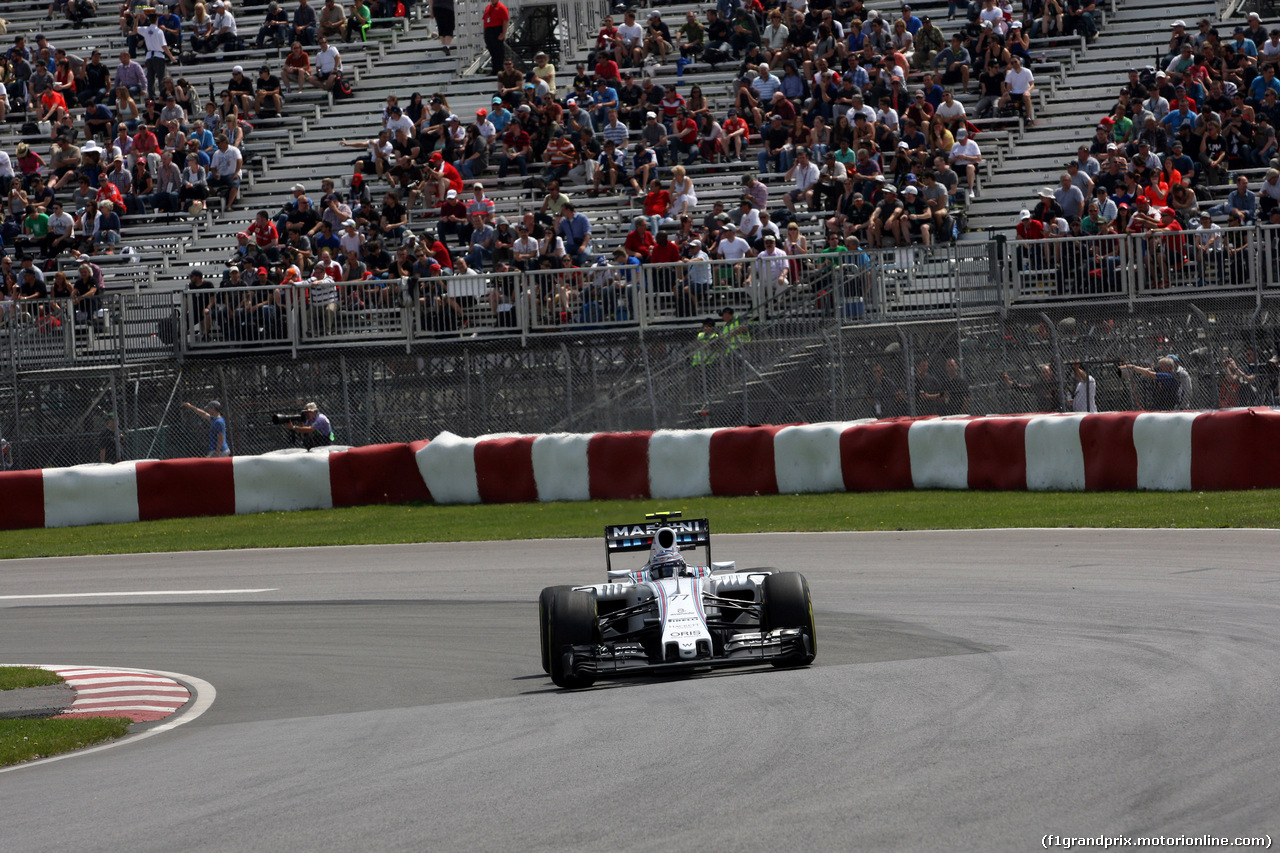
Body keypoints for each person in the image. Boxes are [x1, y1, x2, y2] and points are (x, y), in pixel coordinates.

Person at [482, 0, 510, 77]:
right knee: (492, 51)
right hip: (489, 30)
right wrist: (485, 33)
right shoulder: (488, 7)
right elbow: (485, 21)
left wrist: (503, 33)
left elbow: (505, 20)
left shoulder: (501, 7)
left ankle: (500, 69)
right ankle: (494, 70)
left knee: (499, 51)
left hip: (497, 30)